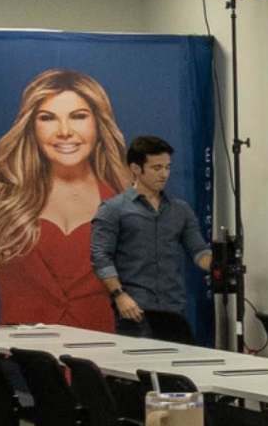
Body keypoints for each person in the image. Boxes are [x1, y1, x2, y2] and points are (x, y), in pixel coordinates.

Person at [0, 67, 128, 330]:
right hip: (20, 350)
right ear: (31, 126)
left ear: (98, 123)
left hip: (104, 347)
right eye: (47, 118)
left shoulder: (126, 198)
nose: (64, 131)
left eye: (78, 116)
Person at [90, 135, 214, 342]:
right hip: (135, 309)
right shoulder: (113, 209)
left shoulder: (180, 210)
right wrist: (119, 295)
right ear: (136, 169)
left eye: (167, 167)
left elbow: (198, 250)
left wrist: (217, 263)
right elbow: (100, 257)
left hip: (173, 309)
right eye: (157, 168)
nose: (164, 174)